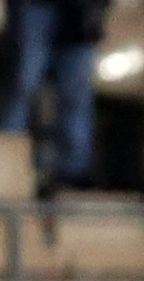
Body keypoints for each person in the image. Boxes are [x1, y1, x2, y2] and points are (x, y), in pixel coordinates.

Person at [1, 0, 107, 189]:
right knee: (24, 84)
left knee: (76, 94)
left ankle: (72, 173)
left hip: (80, 13)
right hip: (34, 6)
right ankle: (7, 160)